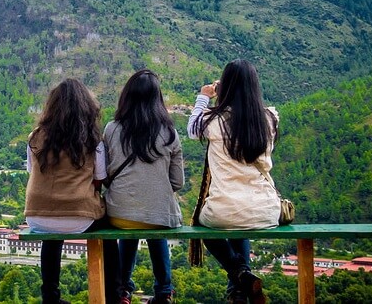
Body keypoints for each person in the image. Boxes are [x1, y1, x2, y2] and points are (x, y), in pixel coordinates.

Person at [187, 59, 279, 304]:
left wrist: (204, 97)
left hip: (225, 210)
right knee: (241, 220)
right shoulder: (269, 119)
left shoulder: (214, 121)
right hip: (266, 210)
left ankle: (240, 275)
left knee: (204, 226)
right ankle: (239, 290)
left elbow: (192, 129)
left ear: (225, 86)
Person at [25, 78, 118, 304]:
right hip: (80, 217)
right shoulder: (92, 139)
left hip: (37, 216)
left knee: (51, 235)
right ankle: (114, 295)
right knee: (109, 235)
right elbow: (100, 179)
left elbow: (32, 172)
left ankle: (50, 296)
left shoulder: (35, 136)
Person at [103, 69, 183, 304]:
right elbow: (178, 182)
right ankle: (164, 291)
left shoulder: (112, 129)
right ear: (157, 99)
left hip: (119, 213)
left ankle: (122, 291)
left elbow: (105, 175)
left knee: (132, 221)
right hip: (159, 216)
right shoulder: (170, 133)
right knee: (153, 220)